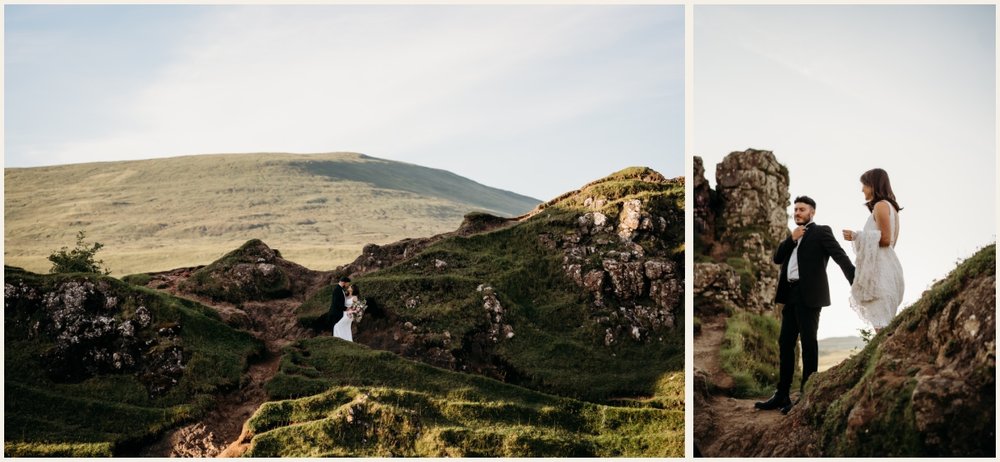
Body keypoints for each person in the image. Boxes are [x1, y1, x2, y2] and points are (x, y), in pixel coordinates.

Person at [755, 196, 855, 414]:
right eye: (796, 209)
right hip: (790, 294)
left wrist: (854, 279)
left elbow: (839, 255)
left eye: (802, 209)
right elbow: (777, 258)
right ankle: (782, 394)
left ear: (812, 212)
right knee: (785, 343)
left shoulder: (821, 232)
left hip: (809, 295)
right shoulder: (792, 237)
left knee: (809, 343)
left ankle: (806, 393)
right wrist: (791, 239)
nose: (797, 213)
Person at [842, 168, 904, 333]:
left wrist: (857, 236)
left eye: (864, 185)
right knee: (884, 326)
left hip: (880, 275)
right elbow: (891, 242)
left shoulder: (880, 206)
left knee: (883, 329)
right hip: (888, 269)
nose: (862, 189)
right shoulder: (892, 209)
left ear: (873, 185)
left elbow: (885, 240)